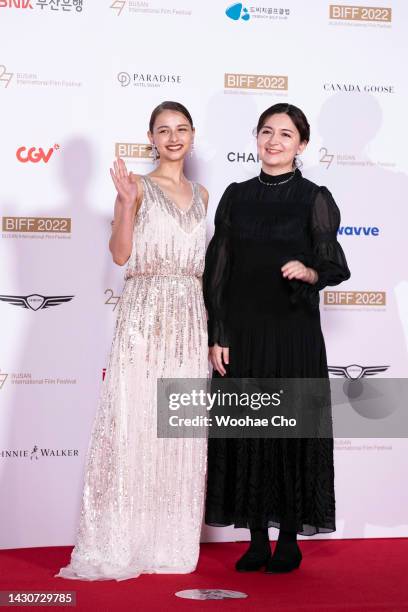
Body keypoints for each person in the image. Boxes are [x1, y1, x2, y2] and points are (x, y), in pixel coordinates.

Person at [56, 101, 209, 581]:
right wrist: (124, 205)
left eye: (181, 128)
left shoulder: (204, 193)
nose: (173, 137)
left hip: (190, 317)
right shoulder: (138, 187)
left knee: (177, 429)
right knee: (136, 420)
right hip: (144, 315)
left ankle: (169, 541)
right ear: (150, 137)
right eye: (163, 130)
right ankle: (122, 538)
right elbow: (121, 255)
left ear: (192, 135)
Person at [203, 103, 350, 573]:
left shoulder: (315, 197)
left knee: (288, 433)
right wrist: (218, 331)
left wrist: (309, 270)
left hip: (293, 334)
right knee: (247, 430)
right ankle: (256, 539)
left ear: (301, 144)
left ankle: (289, 537)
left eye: (285, 135)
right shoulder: (235, 196)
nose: (273, 141)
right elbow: (217, 273)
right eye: (266, 132)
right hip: (243, 334)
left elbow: (336, 264)